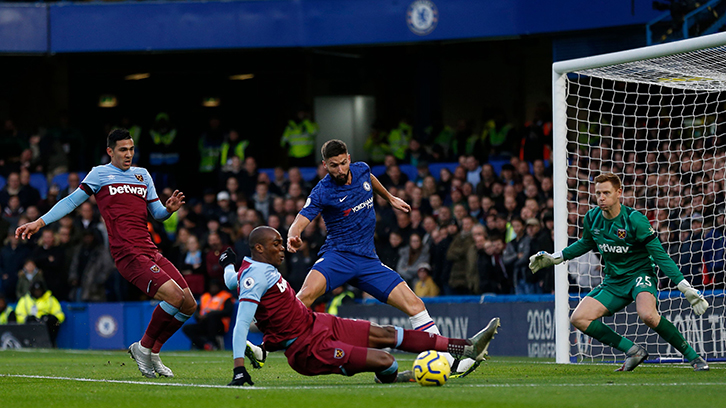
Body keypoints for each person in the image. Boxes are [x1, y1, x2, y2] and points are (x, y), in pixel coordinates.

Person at [286, 140, 488, 378]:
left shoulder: (361, 169)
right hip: (338, 256)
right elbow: (301, 218)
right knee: (304, 296)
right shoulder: (323, 190)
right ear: (324, 165)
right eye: (333, 166)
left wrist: (390, 198)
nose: (340, 170)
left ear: (348, 158)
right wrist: (293, 235)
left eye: (342, 163)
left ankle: (447, 363)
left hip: (368, 261)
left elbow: (369, 179)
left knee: (416, 306)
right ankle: (269, 344)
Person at [15, 128, 195, 378]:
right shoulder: (99, 174)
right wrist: (39, 222)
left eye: (131, 149)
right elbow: (70, 202)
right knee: (175, 298)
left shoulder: (142, 175)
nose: (128, 154)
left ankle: (152, 352)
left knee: (189, 305)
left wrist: (169, 209)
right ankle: (143, 348)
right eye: (123, 150)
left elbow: (158, 215)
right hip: (127, 253)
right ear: (110, 151)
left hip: (149, 249)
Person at [220, 226, 500, 386]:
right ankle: (395, 378)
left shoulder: (251, 269)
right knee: (385, 361)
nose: (282, 248)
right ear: (259, 248)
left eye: (281, 243)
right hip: (307, 349)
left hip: (318, 323)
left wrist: (226, 263)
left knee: (388, 333)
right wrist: (238, 369)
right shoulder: (255, 279)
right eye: (276, 244)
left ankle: (465, 347)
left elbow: (232, 279)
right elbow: (241, 323)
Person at [529, 173, 710, 371]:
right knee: (579, 318)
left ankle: (694, 357)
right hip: (613, 281)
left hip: (639, 276)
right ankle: (633, 351)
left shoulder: (635, 220)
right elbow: (586, 243)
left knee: (647, 315)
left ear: (619, 192)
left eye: (606, 192)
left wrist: (684, 286)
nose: (601, 197)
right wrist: (556, 257)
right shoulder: (592, 218)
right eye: (598, 193)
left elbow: (660, 256)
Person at [182, 279, 234, 350]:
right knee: (187, 328)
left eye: (215, 286)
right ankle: (205, 345)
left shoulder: (225, 296)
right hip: (204, 323)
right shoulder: (205, 297)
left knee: (212, 319)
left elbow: (228, 311)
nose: (213, 288)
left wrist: (210, 314)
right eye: (212, 286)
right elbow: (197, 310)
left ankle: (215, 343)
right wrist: (198, 316)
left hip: (219, 324)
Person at [15, 281, 65, 346]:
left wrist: (49, 318)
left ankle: (50, 343)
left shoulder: (50, 299)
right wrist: (27, 318)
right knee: (27, 324)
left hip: (47, 325)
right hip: (31, 326)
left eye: (39, 290)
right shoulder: (25, 300)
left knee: (54, 322)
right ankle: (29, 344)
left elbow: (60, 314)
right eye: (35, 290)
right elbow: (19, 315)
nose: (37, 292)